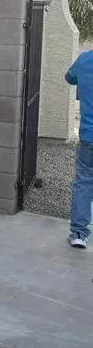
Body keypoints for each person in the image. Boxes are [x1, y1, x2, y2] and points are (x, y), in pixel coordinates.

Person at [66, 52, 93, 248]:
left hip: (88, 136)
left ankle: (78, 234)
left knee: (83, 182)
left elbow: (69, 77)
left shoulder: (85, 59)